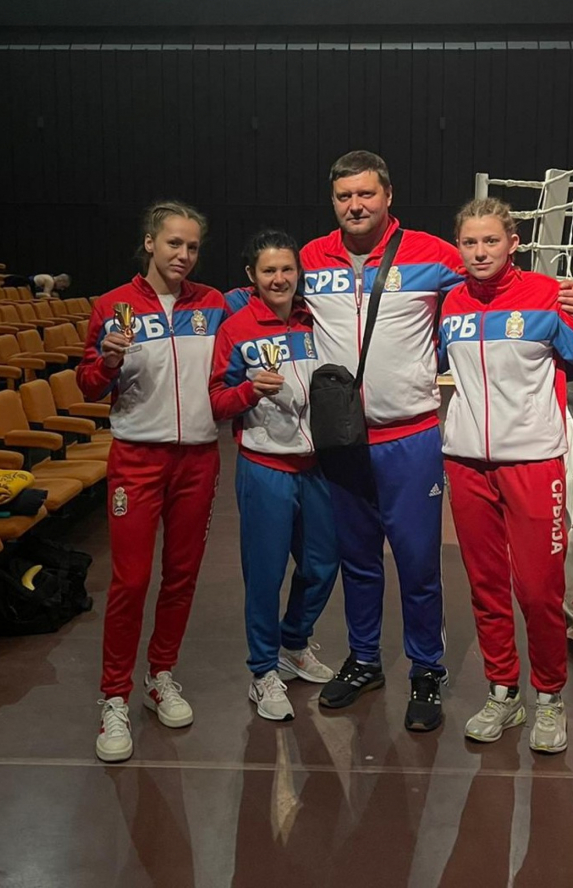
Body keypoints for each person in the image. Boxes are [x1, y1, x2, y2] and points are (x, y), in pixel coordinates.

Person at [299, 150, 573, 732]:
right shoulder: (311, 259)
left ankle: (428, 671)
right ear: (333, 201)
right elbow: (267, 297)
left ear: (388, 196)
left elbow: (510, 290)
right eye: (344, 196)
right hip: (345, 438)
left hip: (413, 438)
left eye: (366, 193)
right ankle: (364, 660)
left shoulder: (437, 256)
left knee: (419, 565)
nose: (355, 205)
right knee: (357, 561)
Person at [438, 197, 573, 753]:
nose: (480, 252)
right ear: (459, 247)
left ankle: (549, 696)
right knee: (486, 587)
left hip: (533, 463)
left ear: (513, 243)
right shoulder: (451, 303)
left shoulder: (545, 295)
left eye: (491, 241)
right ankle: (503, 692)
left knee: (537, 590)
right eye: (469, 242)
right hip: (466, 462)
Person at [78, 200, 228, 763]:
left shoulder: (213, 304)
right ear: (150, 243)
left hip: (198, 459)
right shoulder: (112, 305)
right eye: (173, 243)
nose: (183, 255)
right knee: (131, 580)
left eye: (192, 247)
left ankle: (160, 675)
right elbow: (88, 384)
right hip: (137, 459)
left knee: (181, 576)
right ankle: (114, 696)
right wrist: (107, 362)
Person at [209, 230, 339, 722]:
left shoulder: (317, 320)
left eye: (287, 269)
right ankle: (263, 670)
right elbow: (217, 401)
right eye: (269, 270)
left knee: (323, 564)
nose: (280, 278)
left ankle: (294, 644)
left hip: (317, 466)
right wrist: (249, 393)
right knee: (265, 576)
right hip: (265, 468)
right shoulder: (237, 329)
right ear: (252, 276)